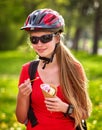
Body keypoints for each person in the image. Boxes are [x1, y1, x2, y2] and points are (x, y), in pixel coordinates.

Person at [15, 8, 92, 130]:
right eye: (34, 39)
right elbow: (21, 118)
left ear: (57, 38)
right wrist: (22, 96)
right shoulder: (28, 70)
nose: (39, 44)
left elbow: (85, 113)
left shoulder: (74, 69)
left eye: (45, 38)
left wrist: (65, 108)